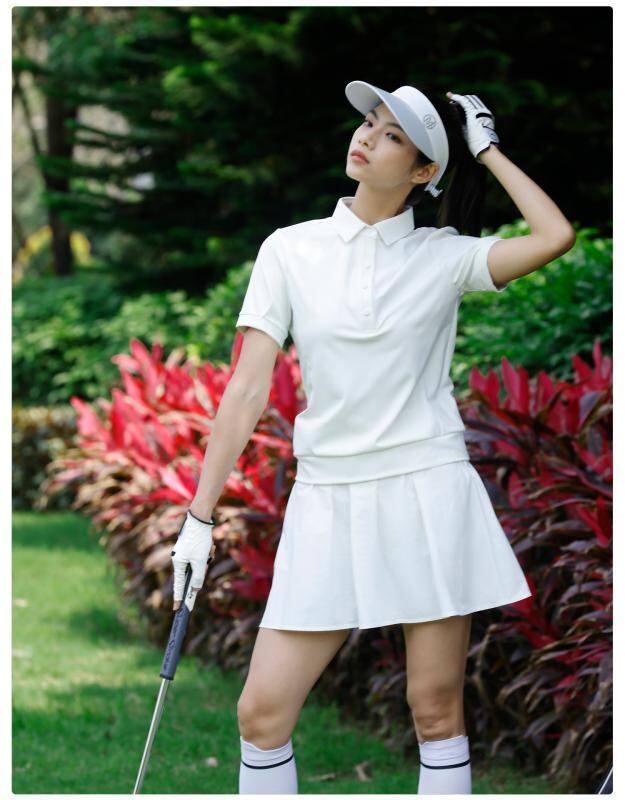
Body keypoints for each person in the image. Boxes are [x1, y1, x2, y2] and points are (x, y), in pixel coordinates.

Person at [170, 81, 576, 795]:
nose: (366, 136)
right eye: (369, 121)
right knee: (261, 713)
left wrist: (485, 150)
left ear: (424, 171)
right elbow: (246, 390)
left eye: (393, 135)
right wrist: (198, 519)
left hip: (426, 490)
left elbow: (554, 237)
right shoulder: (289, 249)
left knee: (434, 708)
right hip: (325, 496)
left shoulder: (446, 256)